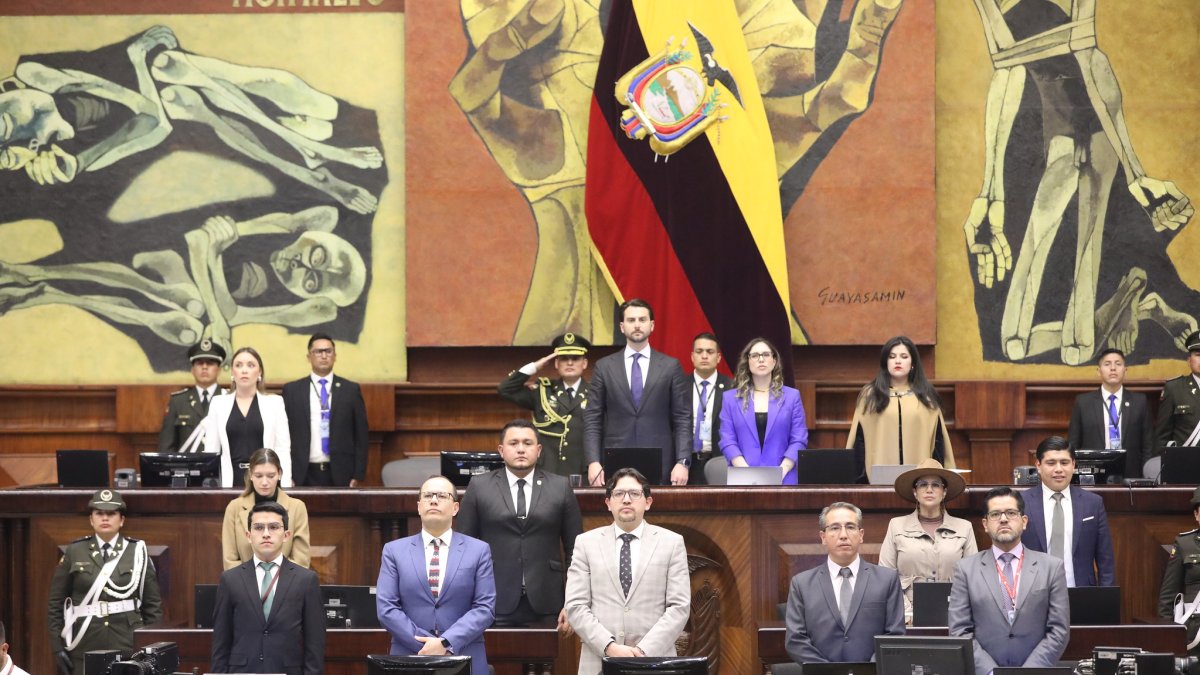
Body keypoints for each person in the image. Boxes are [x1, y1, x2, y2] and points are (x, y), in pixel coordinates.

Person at [457, 419, 583, 628]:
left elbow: (575, 550)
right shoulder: (479, 486)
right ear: (501, 450)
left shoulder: (560, 487)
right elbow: (464, 548)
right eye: (513, 443)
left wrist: (572, 602)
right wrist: (467, 600)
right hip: (493, 600)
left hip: (548, 601)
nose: (521, 449)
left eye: (527, 443)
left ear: (539, 450)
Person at [565, 468, 690, 674]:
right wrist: (609, 647)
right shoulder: (586, 543)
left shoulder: (672, 543)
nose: (626, 499)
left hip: (654, 660)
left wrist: (642, 652)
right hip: (598, 660)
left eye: (634, 493)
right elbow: (576, 605)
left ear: (648, 502)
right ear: (608, 503)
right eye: (619, 494)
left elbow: (679, 607)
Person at [376, 476, 495, 675]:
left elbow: (485, 608)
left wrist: (446, 643)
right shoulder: (394, 551)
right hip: (410, 657)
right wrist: (427, 646)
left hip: (465, 655)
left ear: (455, 508)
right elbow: (386, 608)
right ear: (418, 507)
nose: (433, 500)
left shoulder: (479, 550)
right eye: (428, 495)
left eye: (441, 495)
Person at [949, 487, 1070, 674]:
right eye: (995, 514)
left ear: (1024, 521)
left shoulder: (1051, 568)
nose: (1003, 519)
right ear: (985, 524)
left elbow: (1059, 631)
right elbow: (959, 631)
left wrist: (1029, 673)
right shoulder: (966, 569)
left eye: (1011, 513)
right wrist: (990, 672)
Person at [47, 490, 163, 675]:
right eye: (99, 513)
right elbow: (56, 602)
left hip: (127, 643)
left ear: (122, 520)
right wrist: (57, 647)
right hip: (85, 642)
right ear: (91, 520)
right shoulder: (75, 551)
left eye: (111, 513)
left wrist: (152, 648)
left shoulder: (137, 552)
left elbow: (152, 606)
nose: (105, 518)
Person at [583, 299, 692, 486]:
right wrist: (593, 461)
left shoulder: (670, 366)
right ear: (622, 327)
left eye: (642, 319)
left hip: (661, 460)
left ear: (652, 325)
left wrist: (682, 461)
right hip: (615, 458)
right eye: (631, 320)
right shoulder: (604, 367)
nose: (637, 325)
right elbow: (593, 417)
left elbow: (683, 418)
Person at [211, 501, 325, 674]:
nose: (266, 534)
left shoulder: (306, 580)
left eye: (273, 527)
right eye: (258, 528)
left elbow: (314, 642)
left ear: (286, 535)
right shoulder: (230, 579)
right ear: (248, 535)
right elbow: (221, 640)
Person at [784, 502, 905, 665]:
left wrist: (867, 671)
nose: (843, 535)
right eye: (834, 528)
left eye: (850, 527)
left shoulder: (887, 579)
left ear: (861, 535)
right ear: (823, 537)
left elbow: (895, 635)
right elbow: (795, 640)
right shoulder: (802, 584)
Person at [878, 459, 978, 623]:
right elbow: (885, 576)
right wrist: (907, 614)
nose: (929, 489)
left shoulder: (964, 527)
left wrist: (956, 614)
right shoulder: (896, 525)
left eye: (936, 485)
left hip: (953, 617)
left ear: (944, 492)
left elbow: (972, 578)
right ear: (915, 492)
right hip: (907, 619)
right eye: (923, 484)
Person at [847, 335, 954, 481]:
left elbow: (938, 443)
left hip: (919, 482)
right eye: (892, 357)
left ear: (913, 363)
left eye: (904, 356)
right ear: (885, 362)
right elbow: (858, 442)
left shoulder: (926, 396)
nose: (897, 361)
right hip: (877, 480)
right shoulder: (870, 395)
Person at [1020, 436, 1116, 587]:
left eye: (1064, 463)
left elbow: (1105, 560)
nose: (1059, 469)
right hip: (1033, 593)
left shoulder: (1093, 503)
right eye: (1051, 463)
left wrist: (1106, 596)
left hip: (1081, 592)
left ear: (1073, 465)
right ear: (1038, 465)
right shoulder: (1021, 503)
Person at [497, 332, 592, 478]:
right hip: (547, 472)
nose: (570, 363)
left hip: (583, 472)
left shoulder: (595, 393)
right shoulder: (542, 391)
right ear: (556, 363)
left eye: (575, 358)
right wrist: (536, 366)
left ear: (584, 363)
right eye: (564, 358)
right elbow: (505, 389)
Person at [282, 333, 369, 487]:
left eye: (328, 351)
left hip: (341, 474)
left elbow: (361, 435)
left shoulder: (350, 390)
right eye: (318, 352)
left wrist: (358, 475)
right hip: (301, 473)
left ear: (335, 356)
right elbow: (282, 436)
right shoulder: (292, 391)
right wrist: (286, 474)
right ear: (309, 357)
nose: (324, 356)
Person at [719, 338, 808, 484]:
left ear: (774, 361)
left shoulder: (792, 397)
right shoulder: (730, 399)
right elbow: (727, 440)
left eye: (766, 354)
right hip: (743, 478)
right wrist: (747, 473)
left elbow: (799, 439)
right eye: (755, 355)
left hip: (784, 477)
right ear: (748, 362)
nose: (761, 359)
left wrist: (781, 471)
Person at [204, 346, 292, 488]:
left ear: (260, 372)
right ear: (232, 372)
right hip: (228, 482)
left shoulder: (275, 403)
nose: (244, 370)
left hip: (265, 483)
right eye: (238, 365)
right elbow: (211, 451)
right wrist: (210, 487)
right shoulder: (218, 403)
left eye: (250, 365)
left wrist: (285, 486)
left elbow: (282, 449)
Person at [1068, 348, 1153, 478]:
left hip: (1130, 476)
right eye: (1107, 364)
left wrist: (1146, 477)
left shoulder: (1139, 402)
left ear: (1125, 371)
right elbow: (1073, 443)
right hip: (1093, 474)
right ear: (1099, 371)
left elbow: (1148, 445)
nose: (1113, 368)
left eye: (1118, 364)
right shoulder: (1083, 402)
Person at [221, 448, 311, 570]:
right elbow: (230, 562)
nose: (264, 482)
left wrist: (271, 577)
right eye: (258, 476)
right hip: (244, 581)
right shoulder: (234, 508)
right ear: (250, 475)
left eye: (270, 476)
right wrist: (257, 578)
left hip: (287, 581)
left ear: (279, 474)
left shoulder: (297, 507)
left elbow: (301, 562)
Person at [158, 339, 226, 452]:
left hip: (220, 463)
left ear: (219, 370)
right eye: (199, 363)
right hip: (187, 463)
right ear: (192, 370)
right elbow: (166, 446)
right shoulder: (178, 401)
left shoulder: (228, 399)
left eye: (210, 363)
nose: (204, 367)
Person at [1157, 486, 1200, 652]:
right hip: (1196, 628)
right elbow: (1168, 596)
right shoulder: (1184, 544)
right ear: (1196, 515)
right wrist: (1168, 635)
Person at [688, 332, 734, 484]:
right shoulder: (679, 385)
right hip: (687, 464)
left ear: (718, 357)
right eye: (699, 351)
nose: (704, 356)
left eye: (710, 352)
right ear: (692, 356)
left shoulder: (732, 387)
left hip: (720, 463)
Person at [1156, 331, 1200, 454]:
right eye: (1198, 355)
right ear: (1189, 360)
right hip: (1185, 461)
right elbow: (1162, 436)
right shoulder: (1174, 388)